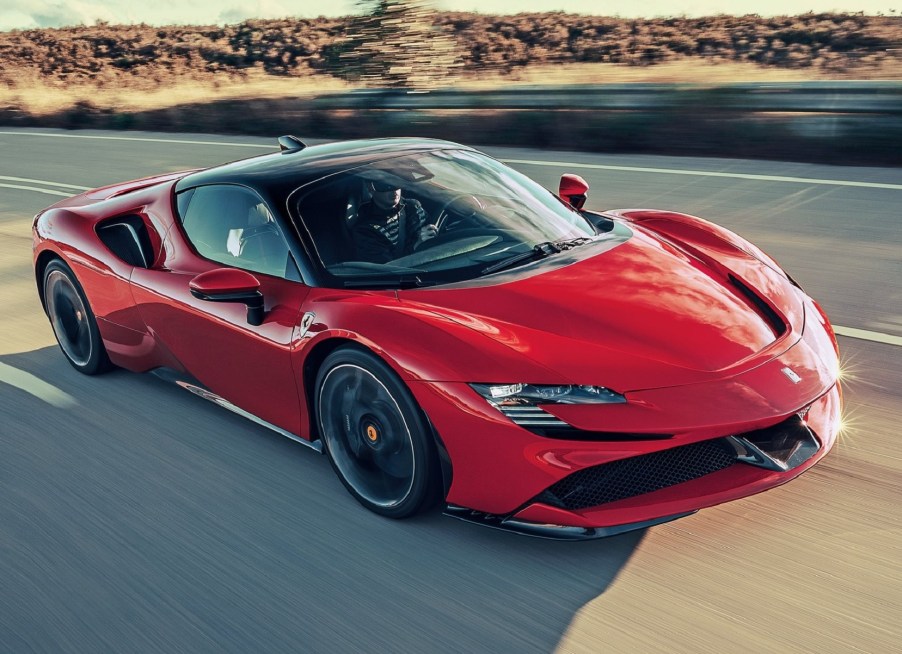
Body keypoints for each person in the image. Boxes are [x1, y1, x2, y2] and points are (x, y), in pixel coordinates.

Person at [351, 180, 437, 263]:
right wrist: (417, 245)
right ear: (370, 188)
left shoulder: (413, 207)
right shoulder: (365, 230)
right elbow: (388, 269)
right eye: (385, 185)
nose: (394, 189)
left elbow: (435, 235)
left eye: (396, 181)